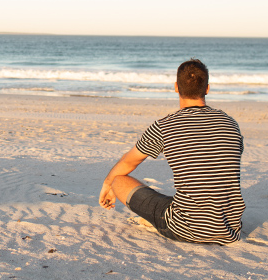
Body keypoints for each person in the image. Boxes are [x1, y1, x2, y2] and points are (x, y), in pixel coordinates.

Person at [99, 59, 244, 244]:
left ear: (176, 87)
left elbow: (129, 161)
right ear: (207, 88)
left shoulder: (165, 126)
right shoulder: (230, 124)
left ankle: (162, 222)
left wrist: (108, 183)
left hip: (185, 228)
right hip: (229, 227)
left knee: (119, 180)